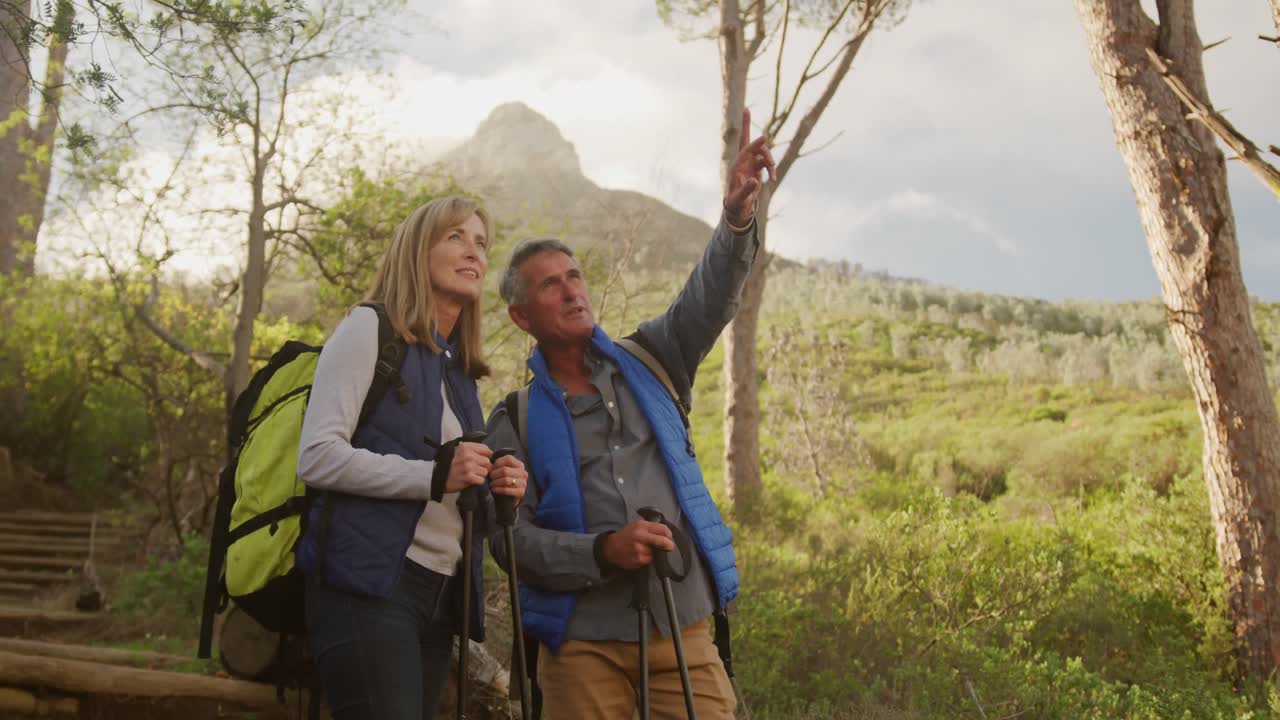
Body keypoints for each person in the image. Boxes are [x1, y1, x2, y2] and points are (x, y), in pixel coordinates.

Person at [485, 110, 775, 720]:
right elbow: (509, 541)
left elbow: (709, 295)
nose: (571, 291)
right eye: (549, 286)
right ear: (521, 318)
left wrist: (737, 217)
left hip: (683, 626)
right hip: (579, 646)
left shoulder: (653, 359)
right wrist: (600, 553)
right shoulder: (513, 418)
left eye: (575, 276)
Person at [293, 195, 529, 720]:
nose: (474, 252)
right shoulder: (368, 329)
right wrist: (433, 474)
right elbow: (317, 457)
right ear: (416, 252)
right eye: (455, 237)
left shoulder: (461, 374)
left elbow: (456, 494)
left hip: (442, 598)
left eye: (481, 243)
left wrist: (497, 486)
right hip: (369, 587)